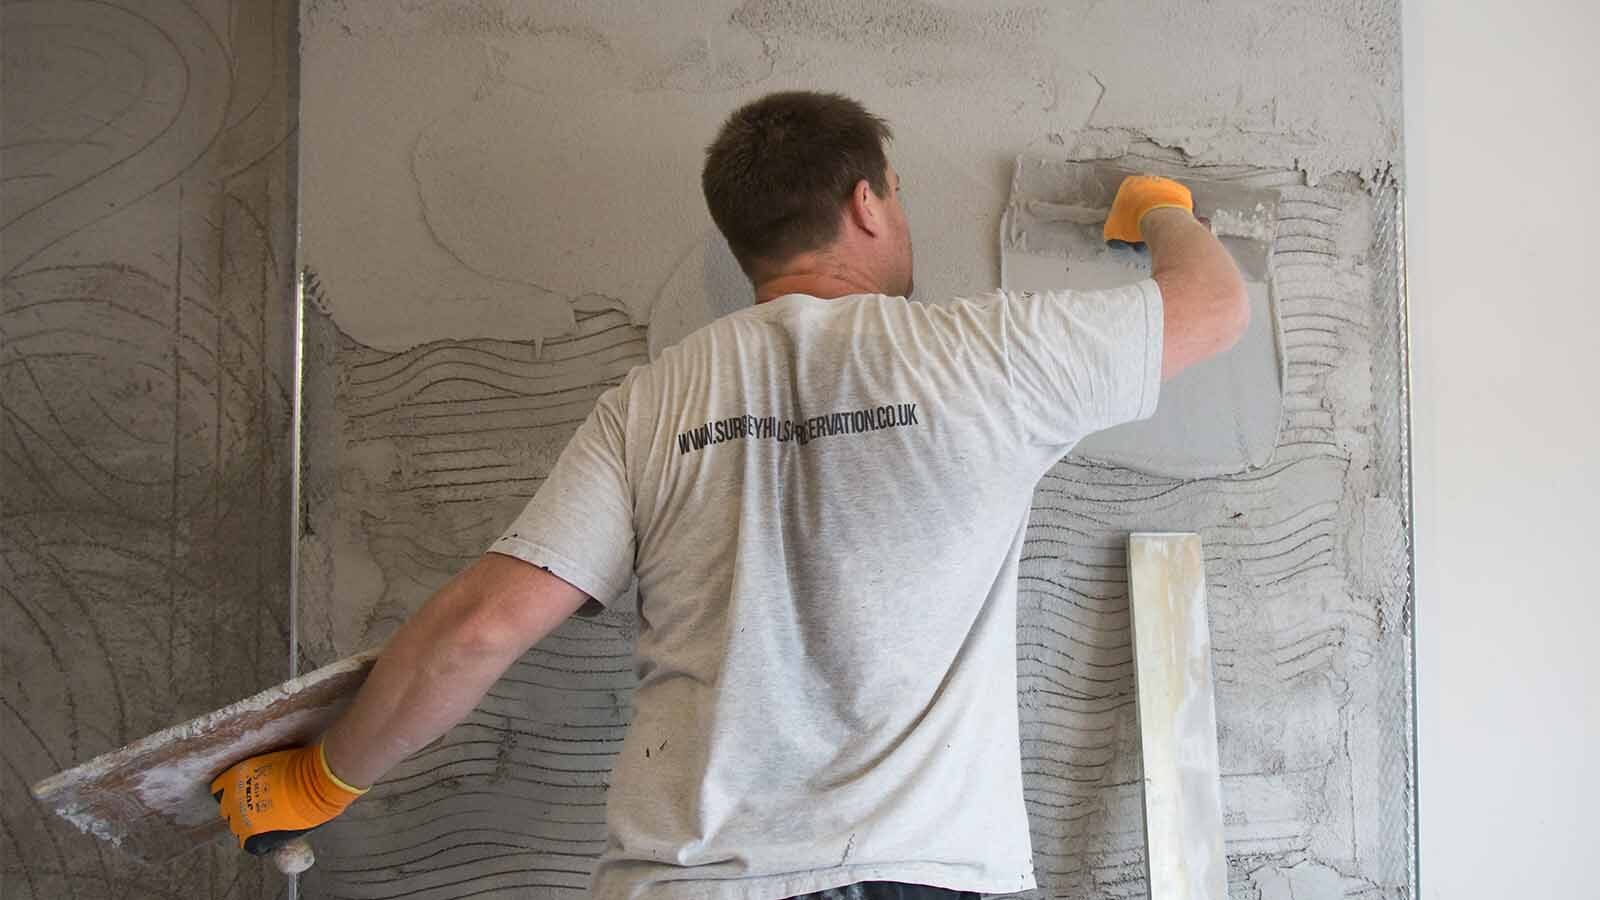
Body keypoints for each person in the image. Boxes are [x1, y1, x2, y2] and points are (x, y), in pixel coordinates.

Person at [212, 90, 1247, 900]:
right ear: (867, 202)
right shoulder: (987, 354)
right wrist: (1160, 213)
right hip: (917, 876)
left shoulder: (649, 404)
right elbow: (1211, 305)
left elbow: (481, 628)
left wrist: (321, 778)